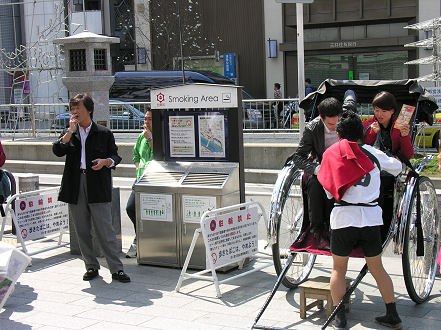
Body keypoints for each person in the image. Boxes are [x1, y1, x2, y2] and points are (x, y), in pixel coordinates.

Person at [318, 111, 402, 329]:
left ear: (339, 134)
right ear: (361, 132)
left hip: (344, 218)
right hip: (371, 219)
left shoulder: (332, 154)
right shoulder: (373, 153)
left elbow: (329, 191)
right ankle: (392, 314)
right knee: (377, 268)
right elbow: (398, 167)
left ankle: (339, 317)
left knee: (338, 269)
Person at [53, 93, 130, 283]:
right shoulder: (69, 133)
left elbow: (116, 157)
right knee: (81, 229)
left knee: (105, 229)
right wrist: (69, 132)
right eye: (72, 109)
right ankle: (91, 266)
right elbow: (57, 150)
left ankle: (116, 269)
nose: (75, 112)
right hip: (75, 183)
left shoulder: (103, 133)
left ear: (89, 110)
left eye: (78, 108)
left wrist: (106, 161)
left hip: (97, 184)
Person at [289, 97, 342, 239]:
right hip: (323, 166)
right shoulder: (312, 128)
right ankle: (316, 228)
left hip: (344, 165)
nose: (334, 128)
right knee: (314, 183)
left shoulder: (345, 123)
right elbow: (298, 157)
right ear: (322, 118)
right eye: (330, 124)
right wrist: (317, 169)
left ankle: (339, 227)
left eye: (337, 123)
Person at [363, 91, 413, 240]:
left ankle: (381, 225)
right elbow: (363, 148)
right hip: (373, 166)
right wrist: (371, 133)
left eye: (384, 111)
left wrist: (404, 137)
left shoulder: (400, 127)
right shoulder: (369, 125)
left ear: (392, 111)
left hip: (392, 166)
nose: (379, 114)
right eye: (377, 110)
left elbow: (407, 155)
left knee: (382, 180)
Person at [125, 111, 153, 258]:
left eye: (150, 119)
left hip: (155, 179)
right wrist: (137, 168)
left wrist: (151, 139)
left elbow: (161, 154)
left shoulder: (159, 136)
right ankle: (139, 237)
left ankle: (143, 240)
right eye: (145, 119)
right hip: (140, 178)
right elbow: (136, 155)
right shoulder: (141, 136)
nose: (146, 122)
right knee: (131, 208)